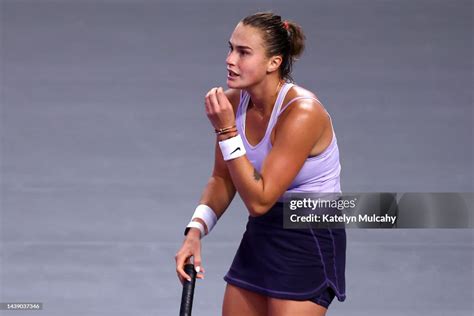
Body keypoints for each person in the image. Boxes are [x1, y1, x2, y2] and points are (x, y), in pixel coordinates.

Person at [175, 12, 346, 316]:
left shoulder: (303, 113)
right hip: (262, 232)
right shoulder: (232, 103)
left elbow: (260, 200)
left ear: (274, 62)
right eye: (230, 49)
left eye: (243, 52)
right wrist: (195, 231)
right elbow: (222, 179)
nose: (230, 59)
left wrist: (227, 131)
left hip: (308, 235)